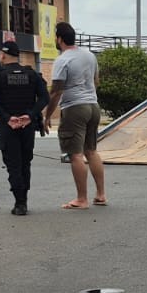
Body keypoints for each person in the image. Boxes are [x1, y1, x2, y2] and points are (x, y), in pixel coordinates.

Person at [42, 21, 105, 210]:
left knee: (75, 154)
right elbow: (96, 81)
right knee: (91, 151)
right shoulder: (89, 55)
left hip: (75, 108)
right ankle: (101, 194)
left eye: (55, 36)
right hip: (93, 106)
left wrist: (47, 116)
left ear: (59, 39)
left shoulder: (63, 60)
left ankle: (81, 199)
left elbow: (56, 91)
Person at [0, 39, 50, 215]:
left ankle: (20, 203)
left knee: (13, 164)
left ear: (2, 55)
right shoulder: (32, 74)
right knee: (25, 163)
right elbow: (44, 98)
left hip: (8, 127)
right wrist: (30, 115)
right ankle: (23, 199)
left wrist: (7, 118)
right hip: (28, 126)